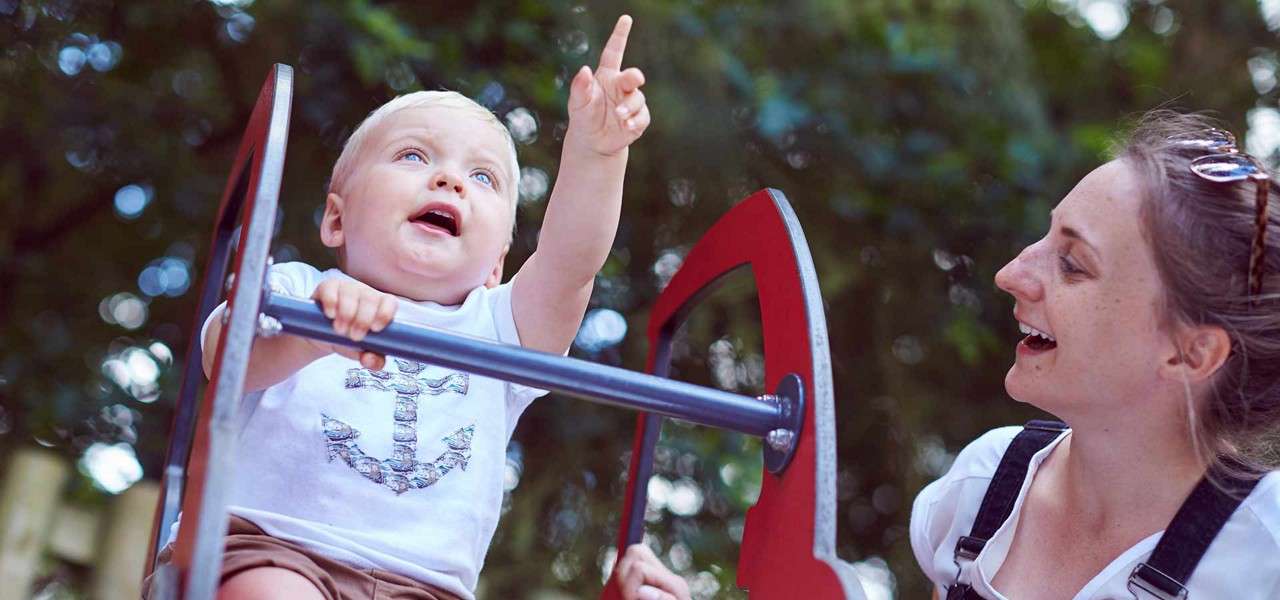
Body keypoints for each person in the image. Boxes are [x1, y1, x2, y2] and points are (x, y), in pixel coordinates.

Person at [153, 15, 651, 600]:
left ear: (496, 266)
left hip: (424, 585)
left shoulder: (501, 331)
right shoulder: (292, 287)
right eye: (414, 156)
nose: (450, 180)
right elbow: (224, 358)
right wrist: (316, 334)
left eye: (483, 176)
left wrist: (596, 155)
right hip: (269, 548)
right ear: (336, 218)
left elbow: (571, 262)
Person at [910, 110, 1280, 599]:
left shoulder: (1262, 559)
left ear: (1191, 353)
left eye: (1072, 265)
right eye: (1046, 235)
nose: (1010, 274)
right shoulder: (981, 486)